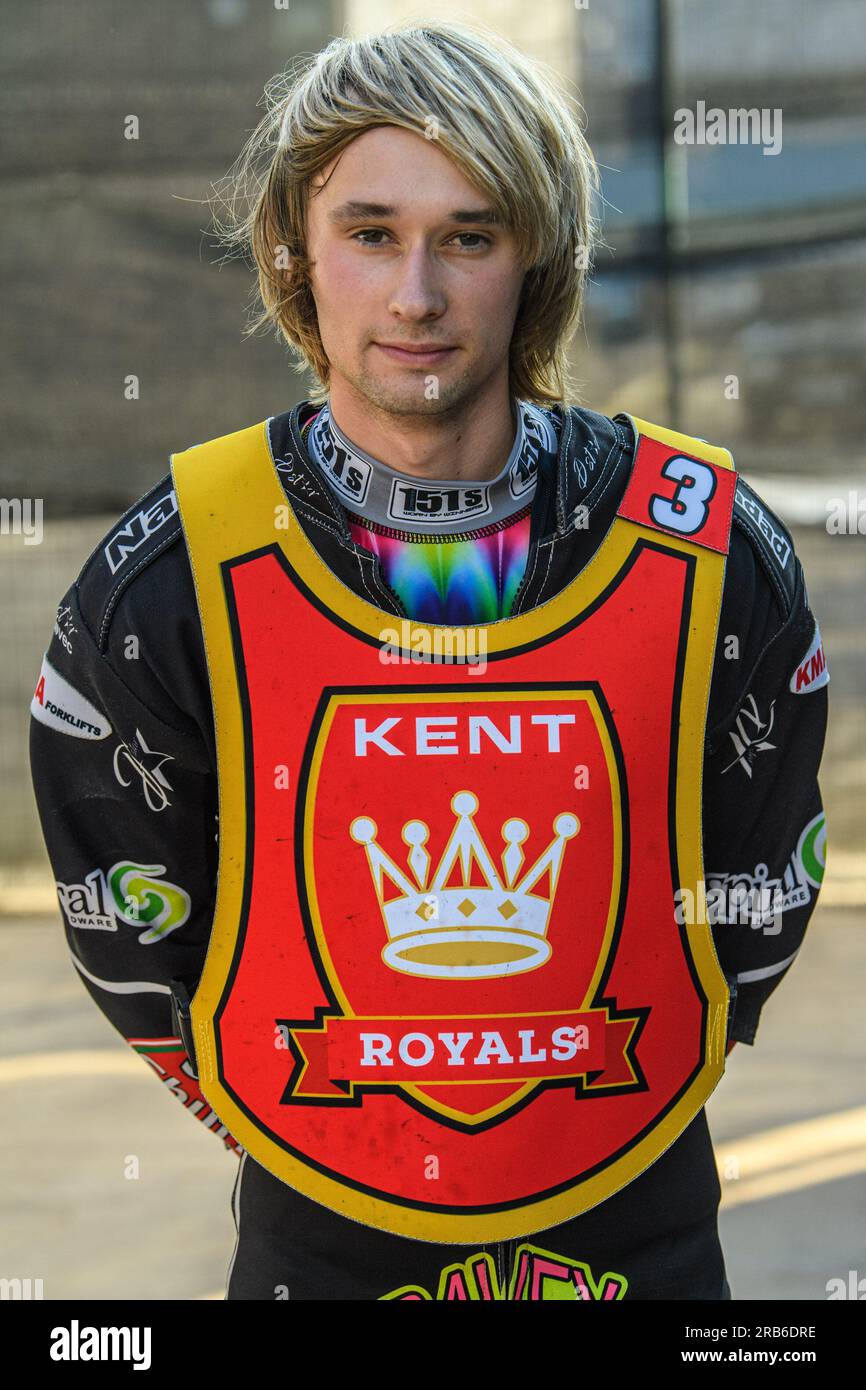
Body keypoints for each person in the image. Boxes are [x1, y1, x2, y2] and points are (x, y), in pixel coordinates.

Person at [29, 20, 829, 1301]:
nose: (414, 296)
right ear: (295, 249)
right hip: (318, 1242)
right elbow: (133, 936)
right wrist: (334, 1138)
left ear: (540, 260)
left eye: (469, 235)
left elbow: (754, 892)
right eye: (370, 233)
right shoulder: (168, 580)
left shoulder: (711, 553)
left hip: (646, 1238)